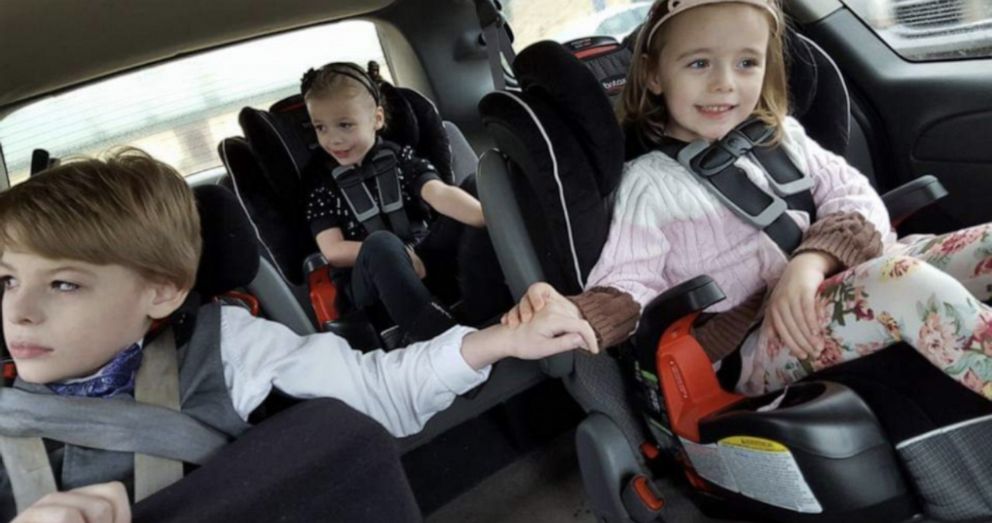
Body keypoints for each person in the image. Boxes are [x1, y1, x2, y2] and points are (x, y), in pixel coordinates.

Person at [0, 148, 598, 521]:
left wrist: (502, 339)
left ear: (161, 290)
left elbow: (379, 393)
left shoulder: (226, 345)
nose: (18, 312)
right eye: (5, 280)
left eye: (64, 285)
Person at [503, 0, 992, 401]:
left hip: (838, 277)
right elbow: (629, 285)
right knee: (902, 282)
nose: (724, 83)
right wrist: (574, 313)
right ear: (654, 75)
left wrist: (811, 261)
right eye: (699, 63)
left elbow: (855, 199)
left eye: (746, 63)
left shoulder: (784, 137)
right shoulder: (650, 184)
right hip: (757, 340)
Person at [301, 62, 503, 342]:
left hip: (423, 252)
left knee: (476, 188)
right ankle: (437, 339)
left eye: (345, 125)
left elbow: (439, 193)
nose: (333, 139)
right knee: (383, 243)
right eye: (320, 128)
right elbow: (333, 250)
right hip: (371, 278)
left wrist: (492, 216)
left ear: (377, 119)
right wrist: (398, 255)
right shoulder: (322, 185)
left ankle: (488, 309)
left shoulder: (401, 159)